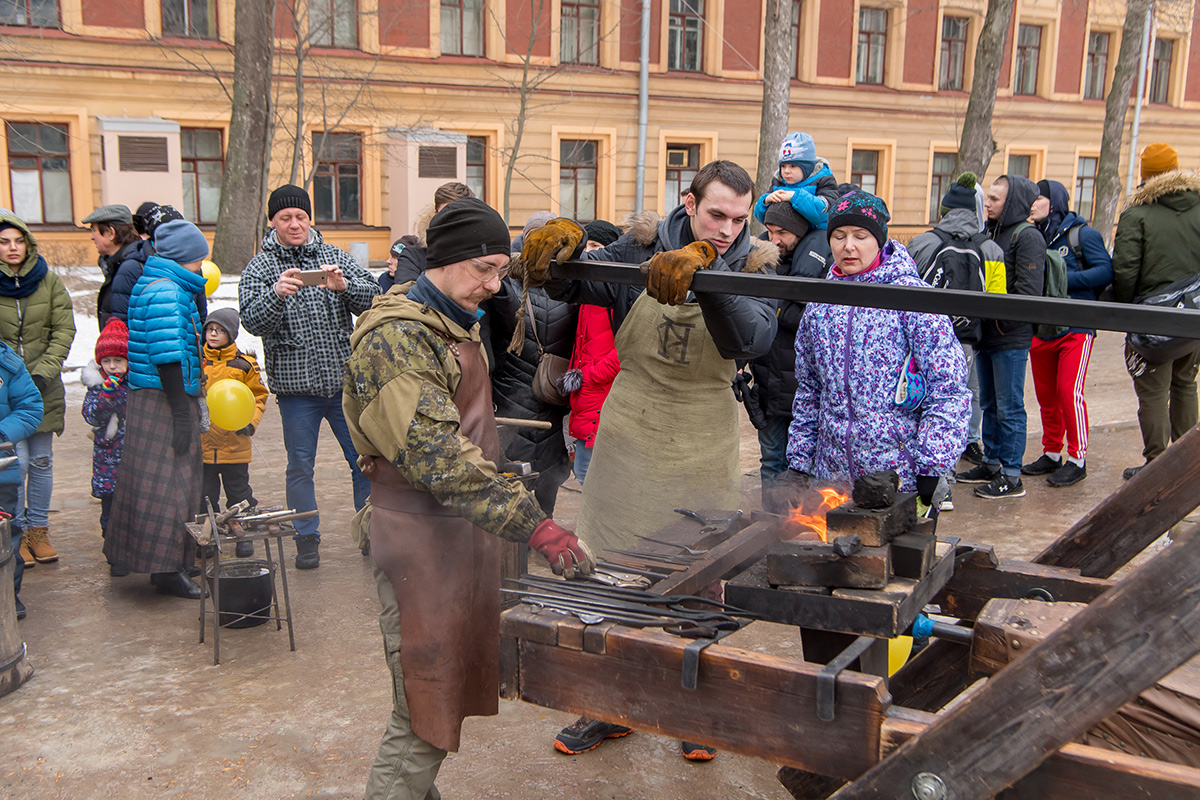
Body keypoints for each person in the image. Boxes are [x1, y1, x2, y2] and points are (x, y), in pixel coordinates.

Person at [521, 159, 776, 760]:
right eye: (717, 215)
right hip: (630, 433)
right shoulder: (634, 252)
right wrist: (562, 254)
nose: (728, 229)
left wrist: (710, 279)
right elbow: (575, 285)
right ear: (688, 204)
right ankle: (608, 706)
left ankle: (693, 712)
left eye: (740, 219)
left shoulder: (758, 265)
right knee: (610, 570)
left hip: (702, 439)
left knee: (701, 575)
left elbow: (752, 341)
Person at [342, 197, 593, 800]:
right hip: (416, 541)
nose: (492, 284)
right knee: (421, 715)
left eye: (500, 270)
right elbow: (438, 459)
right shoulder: (399, 340)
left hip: (451, 536)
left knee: (436, 699)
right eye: (484, 268)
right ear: (447, 260)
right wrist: (537, 526)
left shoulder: (447, 317)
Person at [772, 190, 969, 516]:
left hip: (898, 479)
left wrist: (931, 467)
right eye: (839, 236)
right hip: (831, 479)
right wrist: (799, 462)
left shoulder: (914, 300)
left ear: (878, 240)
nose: (849, 246)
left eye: (860, 236)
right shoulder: (820, 302)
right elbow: (809, 390)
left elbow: (948, 388)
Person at [239, 184, 380, 569]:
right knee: (300, 465)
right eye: (286, 218)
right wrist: (276, 294)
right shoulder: (261, 267)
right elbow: (251, 321)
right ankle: (306, 537)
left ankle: (370, 532)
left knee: (362, 460)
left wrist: (344, 286)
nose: (295, 224)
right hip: (296, 391)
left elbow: (375, 298)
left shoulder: (333, 256)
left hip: (343, 385)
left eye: (300, 216)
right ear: (273, 222)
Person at [105, 219, 210, 599]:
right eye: (199, 255)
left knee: (159, 484)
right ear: (186, 256)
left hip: (157, 396)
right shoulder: (166, 290)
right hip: (164, 399)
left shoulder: (159, 283)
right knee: (169, 486)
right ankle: (165, 570)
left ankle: (164, 562)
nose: (203, 262)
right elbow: (167, 354)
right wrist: (182, 411)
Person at [906, 172, 1003, 506]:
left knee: (921, 404)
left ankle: (934, 482)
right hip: (969, 339)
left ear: (945, 209)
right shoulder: (990, 247)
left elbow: (906, 290)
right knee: (960, 402)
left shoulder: (923, 242)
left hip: (925, 338)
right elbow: (998, 295)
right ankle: (948, 476)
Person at [1113, 143, 1200, 480]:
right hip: (1194, 316)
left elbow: (1125, 269)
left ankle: (1157, 467)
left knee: (1152, 391)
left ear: (1145, 175)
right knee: (1185, 385)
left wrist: (1127, 308)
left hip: (1153, 320)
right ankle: (1187, 466)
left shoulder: (1137, 214)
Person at [956, 174, 1044, 500]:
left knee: (1009, 407)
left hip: (1009, 336)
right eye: (988, 197)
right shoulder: (990, 232)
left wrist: (992, 312)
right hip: (987, 335)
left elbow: (1029, 293)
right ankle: (991, 461)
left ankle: (1011, 473)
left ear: (1013, 203)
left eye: (995, 199)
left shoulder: (1027, 237)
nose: (987, 203)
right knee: (990, 403)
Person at [1020, 179, 1113, 488]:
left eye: (1040, 198)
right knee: (1046, 396)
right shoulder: (1032, 235)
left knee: (1067, 393)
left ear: (1055, 201)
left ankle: (1077, 458)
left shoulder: (1082, 234)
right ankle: (1051, 452)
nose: (1034, 203)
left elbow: (1104, 271)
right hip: (1043, 329)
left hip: (1076, 327)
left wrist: (1059, 279)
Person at [0, 212, 76, 566]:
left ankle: (38, 530)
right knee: (19, 462)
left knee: (42, 461)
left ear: (28, 243)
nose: (12, 248)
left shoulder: (48, 280)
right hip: (4, 390)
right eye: (4, 242)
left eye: (18, 241)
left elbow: (63, 330)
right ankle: (15, 532)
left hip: (44, 385)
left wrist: (44, 371)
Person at [490, 213, 578, 515]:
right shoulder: (505, 285)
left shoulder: (573, 287)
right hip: (521, 396)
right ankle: (527, 535)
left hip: (547, 396)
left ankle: (536, 531)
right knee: (523, 473)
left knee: (545, 474)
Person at [749, 201, 831, 497]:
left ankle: (802, 528)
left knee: (805, 470)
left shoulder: (824, 263)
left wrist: (775, 308)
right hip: (768, 385)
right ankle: (771, 528)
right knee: (772, 462)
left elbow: (818, 319)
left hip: (803, 392)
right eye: (769, 231)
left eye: (782, 232)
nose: (774, 240)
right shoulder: (760, 261)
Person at [200, 307, 269, 558]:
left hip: (235, 443)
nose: (213, 334)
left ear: (231, 334)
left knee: (239, 493)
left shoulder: (245, 364)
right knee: (204, 494)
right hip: (204, 442)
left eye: (219, 330)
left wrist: (250, 423)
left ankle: (243, 533)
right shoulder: (198, 361)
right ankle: (207, 536)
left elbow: (259, 396)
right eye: (210, 329)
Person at [568, 220, 623, 484]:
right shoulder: (590, 291)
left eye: (596, 246)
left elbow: (627, 348)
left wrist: (589, 375)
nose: (589, 252)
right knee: (586, 474)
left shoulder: (617, 294)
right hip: (587, 394)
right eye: (587, 246)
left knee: (589, 475)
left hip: (601, 393)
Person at [81, 318, 130, 576]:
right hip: (107, 463)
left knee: (131, 510)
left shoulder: (134, 385)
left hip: (131, 459)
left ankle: (130, 550)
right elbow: (91, 416)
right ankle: (113, 553)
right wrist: (105, 397)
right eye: (107, 361)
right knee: (110, 513)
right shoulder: (96, 387)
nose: (112, 366)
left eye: (118, 361)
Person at [0, 338, 43, 620]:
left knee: (7, 536)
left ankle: (7, 594)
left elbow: (31, 407)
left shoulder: (7, 363)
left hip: (1, 474)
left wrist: (2, 433)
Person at [378, 182, 475, 292]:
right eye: (446, 215)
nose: (453, 222)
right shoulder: (413, 257)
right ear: (435, 215)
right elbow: (406, 298)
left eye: (460, 216)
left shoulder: (485, 254)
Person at [752, 131, 840, 230]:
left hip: (816, 234)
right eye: (783, 166)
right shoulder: (778, 181)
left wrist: (795, 196)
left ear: (807, 168)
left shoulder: (823, 181)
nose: (786, 171)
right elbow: (763, 218)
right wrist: (766, 201)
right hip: (784, 234)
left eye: (793, 166)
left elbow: (823, 213)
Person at [85, 204, 154, 329]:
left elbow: (125, 324)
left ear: (111, 233)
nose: (91, 237)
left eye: (94, 230)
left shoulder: (130, 267)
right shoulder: (118, 263)